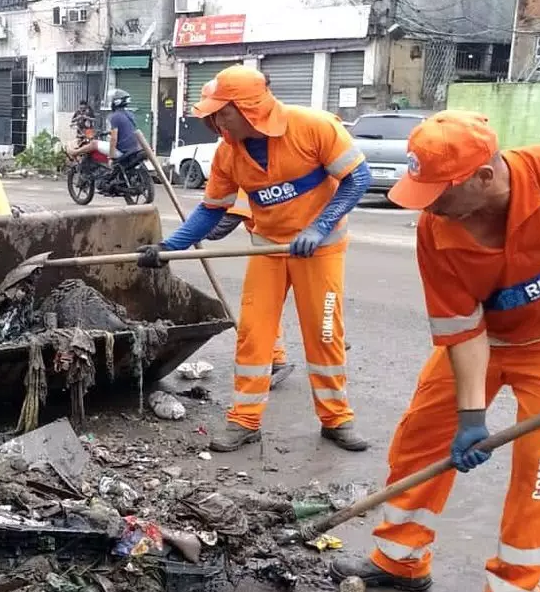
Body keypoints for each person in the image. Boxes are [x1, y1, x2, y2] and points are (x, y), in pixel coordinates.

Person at [329, 111, 540, 592]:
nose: (428, 206)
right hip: (485, 339)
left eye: (438, 192)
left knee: (539, 464)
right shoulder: (435, 229)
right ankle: (402, 560)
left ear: (484, 177)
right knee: (421, 439)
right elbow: (462, 329)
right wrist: (472, 417)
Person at [137, 65, 371, 452]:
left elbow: (357, 178)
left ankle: (336, 419)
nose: (211, 119)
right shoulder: (228, 152)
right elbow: (212, 209)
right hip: (267, 247)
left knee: (324, 334)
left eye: (220, 111)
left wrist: (319, 227)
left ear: (250, 109)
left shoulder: (312, 128)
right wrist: (168, 249)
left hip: (321, 248)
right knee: (253, 335)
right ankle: (245, 421)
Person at [206, 190, 297, 388]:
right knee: (265, 307)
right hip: (274, 245)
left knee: (265, 307)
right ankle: (277, 359)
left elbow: (222, 227)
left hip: (290, 246)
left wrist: (197, 228)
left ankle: (329, 342)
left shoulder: (243, 178)